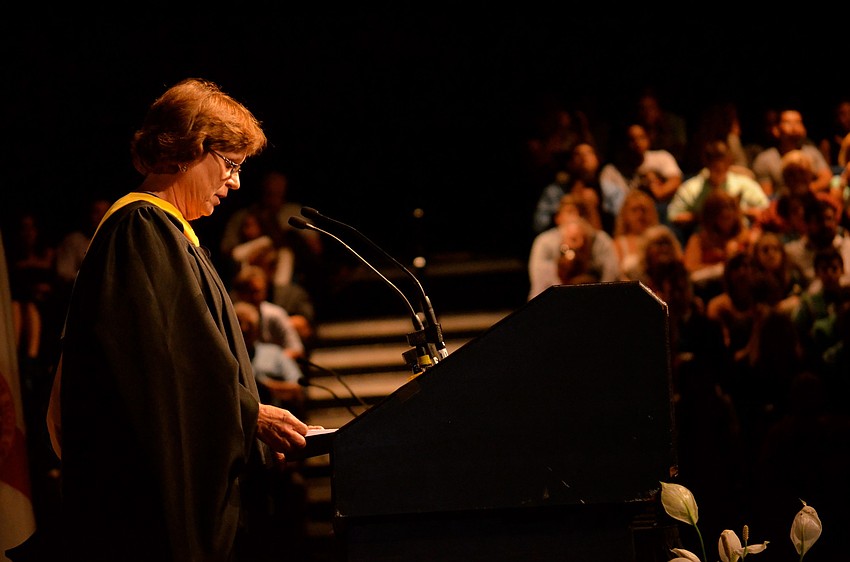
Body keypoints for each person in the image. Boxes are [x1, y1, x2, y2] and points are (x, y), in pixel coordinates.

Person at [44, 78, 316, 562]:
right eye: (229, 164)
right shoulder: (140, 228)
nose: (234, 182)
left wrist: (248, 425)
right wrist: (249, 415)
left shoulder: (170, 233)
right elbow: (171, 365)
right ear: (187, 149)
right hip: (148, 516)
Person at [667, 139, 769, 243]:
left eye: (724, 166)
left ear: (729, 163)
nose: (720, 170)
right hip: (706, 242)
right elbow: (674, 216)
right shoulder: (690, 188)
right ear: (707, 164)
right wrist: (704, 216)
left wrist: (741, 212)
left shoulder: (745, 185)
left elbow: (766, 211)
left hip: (741, 240)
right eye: (715, 167)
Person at [527, 194, 620, 299]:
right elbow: (541, 281)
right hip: (551, 300)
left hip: (594, 299)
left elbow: (611, 278)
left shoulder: (601, 240)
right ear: (558, 218)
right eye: (570, 212)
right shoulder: (544, 241)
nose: (576, 217)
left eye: (581, 213)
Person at [599, 123, 683, 222]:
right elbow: (617, 207)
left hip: (662, 214)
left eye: (641, 137)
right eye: (632, 140)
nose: (637, 143)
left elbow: (675, 181)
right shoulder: (611, 172)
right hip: (630, 219)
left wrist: (654, 185)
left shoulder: (661, 157)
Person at [751, 108, 833, 199]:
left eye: (798, 122)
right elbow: (767, 196)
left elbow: (827, 178)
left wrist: (804, 191)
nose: (794, 126)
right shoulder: (764, 159)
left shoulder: (812, 152)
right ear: (776, 129)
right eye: (788, 122)